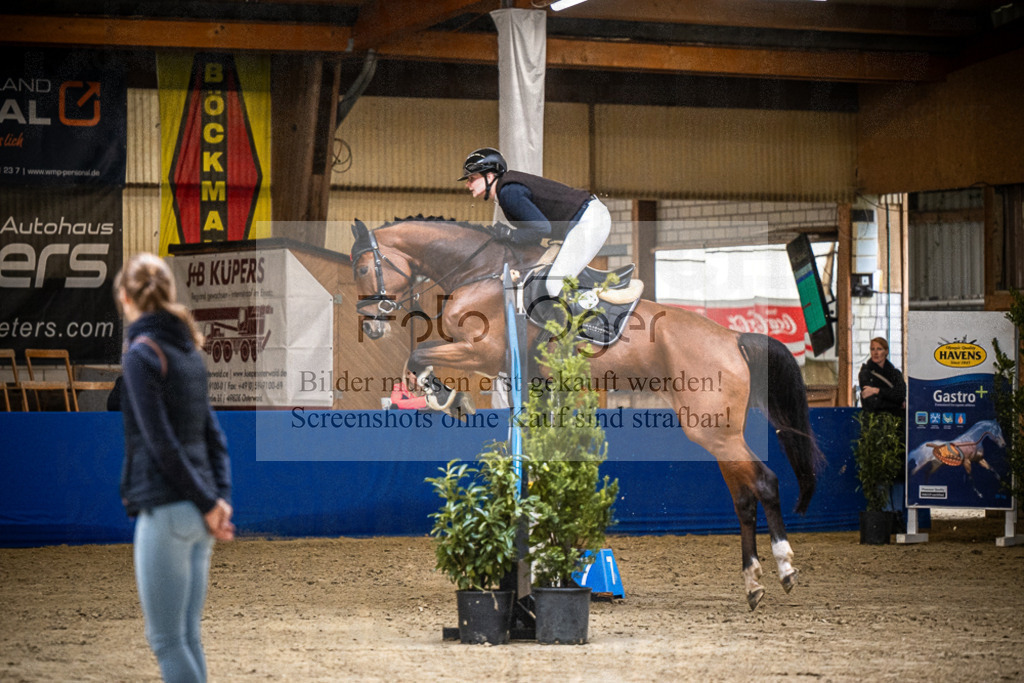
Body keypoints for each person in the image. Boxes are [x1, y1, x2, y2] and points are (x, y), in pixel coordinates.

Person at [116, 252, 234, 683]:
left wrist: (208, 502)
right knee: (187, 636)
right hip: (200, 511)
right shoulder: (188, 350)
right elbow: (214, 437)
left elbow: (160, 443)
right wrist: (218, 502)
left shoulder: (139, 355)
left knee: (167, 640)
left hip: (167, 508)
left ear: (125, 297)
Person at [459, 147, 611, 299]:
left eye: (472, 178)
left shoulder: (508, 192)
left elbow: (542, 229)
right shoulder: (507, 189)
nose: (468, 184)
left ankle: (590, 320)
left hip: (588, 221)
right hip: (583, 219)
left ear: (490, 176)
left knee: (554, 285)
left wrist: (510, 234)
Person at [858, 337, 906, 417]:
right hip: (874, 422)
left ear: (886, 351)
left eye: (879, 349)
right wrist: (896, 403)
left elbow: (900, 395)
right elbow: (873, 403)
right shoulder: (865, 373)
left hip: (895, 421)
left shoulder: (895, 374)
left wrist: (877, 390)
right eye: (872, 349)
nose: (875, 352)